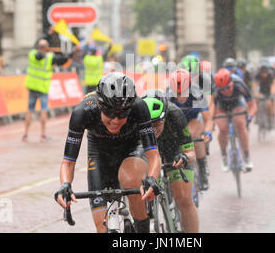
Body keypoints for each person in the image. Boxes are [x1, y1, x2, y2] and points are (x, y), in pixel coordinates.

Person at [55, 73, 161, 233]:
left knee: (131, 180)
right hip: (99, 151)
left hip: (131, 147)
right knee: (101, 228)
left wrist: (152, 179)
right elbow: (68, 162)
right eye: (110, 114)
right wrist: (65, 185)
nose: (116, 121)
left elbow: (153, 155)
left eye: (122, 115)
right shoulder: (82, 111)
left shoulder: (139, 107)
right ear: (100, 106)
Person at [142, 89, 199, 233]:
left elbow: (191, 153)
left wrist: (185, 158)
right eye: (149, 125)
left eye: (157, 124)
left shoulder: (175, 114)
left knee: (184, 200)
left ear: (165, 117)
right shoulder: (136, 116)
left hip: (175, 149)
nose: (153, 130)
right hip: (149, 151)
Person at [166, 68, 213, 191]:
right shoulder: (168, 95)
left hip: (192, 120)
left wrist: (207, 132)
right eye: (177, 93)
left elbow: (207, 118)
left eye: (183, 93)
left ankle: (202, 171)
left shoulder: (196, 93)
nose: (180, 97)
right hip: (174, 122)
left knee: (194, 135)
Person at [22, 39, 69, 143]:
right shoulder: (50, 57)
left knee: (29, 110)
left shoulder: (32, 53)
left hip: (32, 86)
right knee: (43, 110)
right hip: (43, 88)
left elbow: (38, 55)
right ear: (46, 47)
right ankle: (43, 135)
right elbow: (64, 59)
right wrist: (60, 52)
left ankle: (25, 134)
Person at [212, 68, 257, 172]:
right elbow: (211, 108)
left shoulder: (240, 85)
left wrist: (249, 116)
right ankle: (224, 156)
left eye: (227, 87)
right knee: (223, 128)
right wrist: (212, 121)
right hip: (221, 106)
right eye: (222, 89)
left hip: (237, 104)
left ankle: (246, 157)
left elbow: (252, 105)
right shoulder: (215, 90)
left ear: (231, 82)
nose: (225, 91)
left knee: (241, 125)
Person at [253, 61, 275, 130]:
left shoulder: (271, 75)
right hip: (261, 90)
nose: (263, 74)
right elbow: (255, 84)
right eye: (262, 72)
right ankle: (258, 116)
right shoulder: (257, 75)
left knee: (269, 104)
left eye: (265, 72)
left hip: (270, 90)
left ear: (267, 71)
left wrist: (272, 93)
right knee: (256, 100)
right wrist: (256, 93)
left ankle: (271, 119)